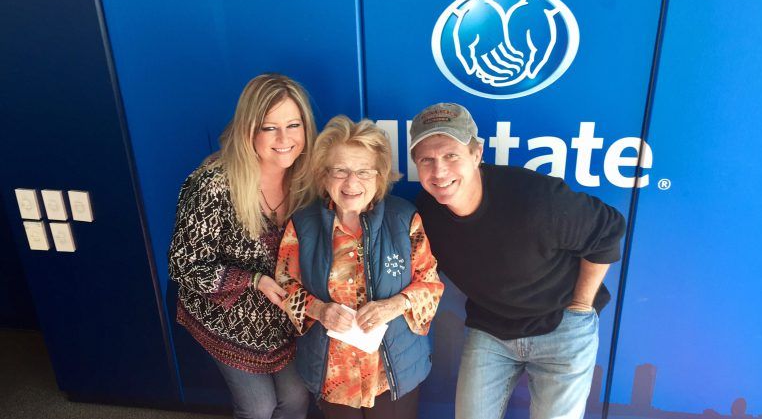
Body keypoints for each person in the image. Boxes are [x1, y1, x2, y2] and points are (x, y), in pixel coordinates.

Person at [409, 103, 627, 419]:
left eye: (451, 155)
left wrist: (581, 306)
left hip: (561, 323)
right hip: (491, 328)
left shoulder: (536, 197)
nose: (439, 171)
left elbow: (608, 230)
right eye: (426, 160)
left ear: (476, 154)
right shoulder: (426, 213)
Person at [275, 115, 444, 419]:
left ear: (380, 176)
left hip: (393, 371)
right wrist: (319, 310)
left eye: (364, 171)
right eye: (340, 170)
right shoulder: (302, 224)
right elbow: (284, 284)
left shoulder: (404, 218)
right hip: (333, 374)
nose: (352, 183)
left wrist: (394, 305)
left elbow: (430, 283)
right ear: (323, 175)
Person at [168, 74, 315, 419]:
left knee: (296, 400)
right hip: (226, 314)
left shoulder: (308, 178)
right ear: (249, 130)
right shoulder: (215, 183)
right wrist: (252, 280)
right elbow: (183, 264)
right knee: (258, 407)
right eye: (269, 128)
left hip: (284, 318)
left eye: (293, 125)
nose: (284, 139)